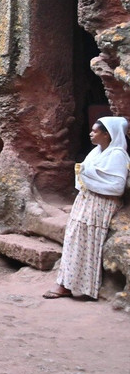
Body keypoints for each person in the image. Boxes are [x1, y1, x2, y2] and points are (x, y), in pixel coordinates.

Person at [44, 116, 129, 299]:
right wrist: (86, 177)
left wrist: (88, 177)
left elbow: (116, 187)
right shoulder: (96, 152)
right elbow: (84, 175)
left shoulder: (117, 155)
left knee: (85, 241)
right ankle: (66, 282)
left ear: (107, 134)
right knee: (73, 238)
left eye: (95, 131)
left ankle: (78, 285)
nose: (91, 134)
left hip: (102, 204)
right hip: (86, 200)